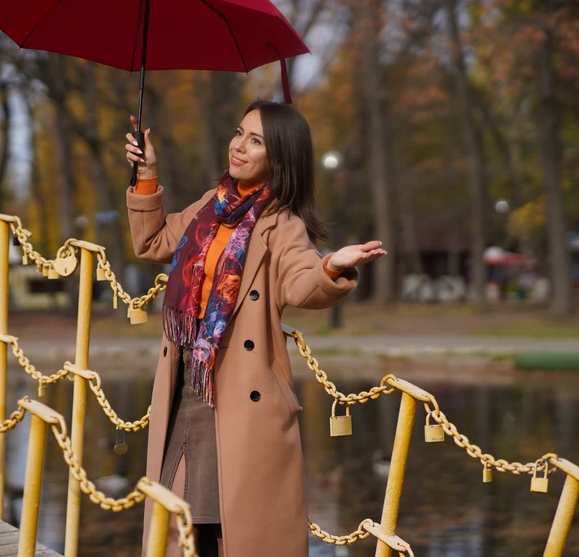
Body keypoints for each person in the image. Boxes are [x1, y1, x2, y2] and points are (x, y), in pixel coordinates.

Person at [124, 101, 387, 557]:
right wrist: (147, 175)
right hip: (186, 383)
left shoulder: (281, 223)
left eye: (256, 140)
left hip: (235, 396)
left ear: (280, 159)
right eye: (239, 132)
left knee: (215, 525)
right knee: (175, 519)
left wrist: (332, 266)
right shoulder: (212, 204)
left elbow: (303, 283)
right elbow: (152, 242)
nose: (238, 146)